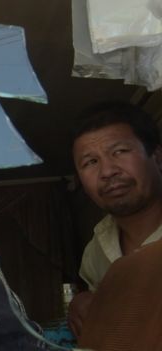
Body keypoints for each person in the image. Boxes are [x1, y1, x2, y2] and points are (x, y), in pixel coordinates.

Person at [68, 101, 162, 338]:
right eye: (90, 162)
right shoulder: (96, 251)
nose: (108, 171)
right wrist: (83, 302)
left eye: (119, 151)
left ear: (157, 157)